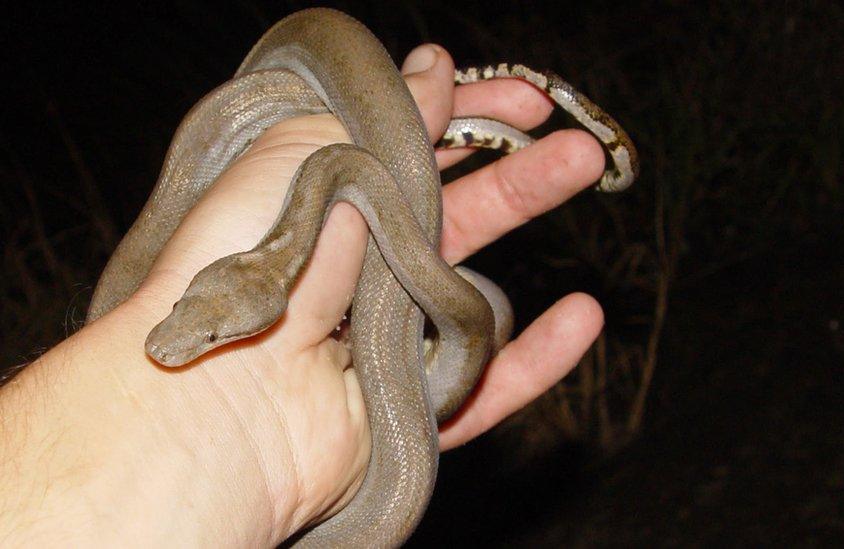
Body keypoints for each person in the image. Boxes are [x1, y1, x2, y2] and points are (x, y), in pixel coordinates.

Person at [0, 44, 608, 546]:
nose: (171, 344)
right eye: (191, 315)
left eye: (211, 334)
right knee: (474, 312)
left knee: (475, 313)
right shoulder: (318, 194)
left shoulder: (339, 176)